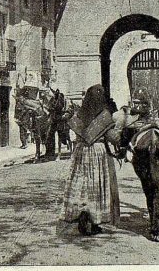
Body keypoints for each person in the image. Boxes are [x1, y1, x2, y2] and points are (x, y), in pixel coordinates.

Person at [62, 84, 120, 236]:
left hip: (81, 152)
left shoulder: (79, 115)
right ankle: (95, 221)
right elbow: (113, 137)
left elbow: (74, 129)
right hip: (98, 153)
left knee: (81, 186)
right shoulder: (105, 116)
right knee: (97, 186)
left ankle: (81, 217)